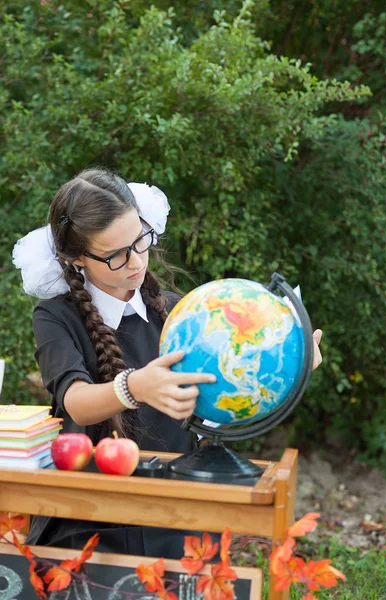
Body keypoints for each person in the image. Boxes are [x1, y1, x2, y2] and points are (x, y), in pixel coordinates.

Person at [12, 167, 323, 558]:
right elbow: (75, 401)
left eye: (140, 241)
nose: (136, 261)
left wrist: (287, 370)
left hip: (175, 515)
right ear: (77, 260)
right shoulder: (56, 316)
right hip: (89, 521)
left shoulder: (182, 315)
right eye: (115, 256)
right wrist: (134, 387)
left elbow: (222, 401)